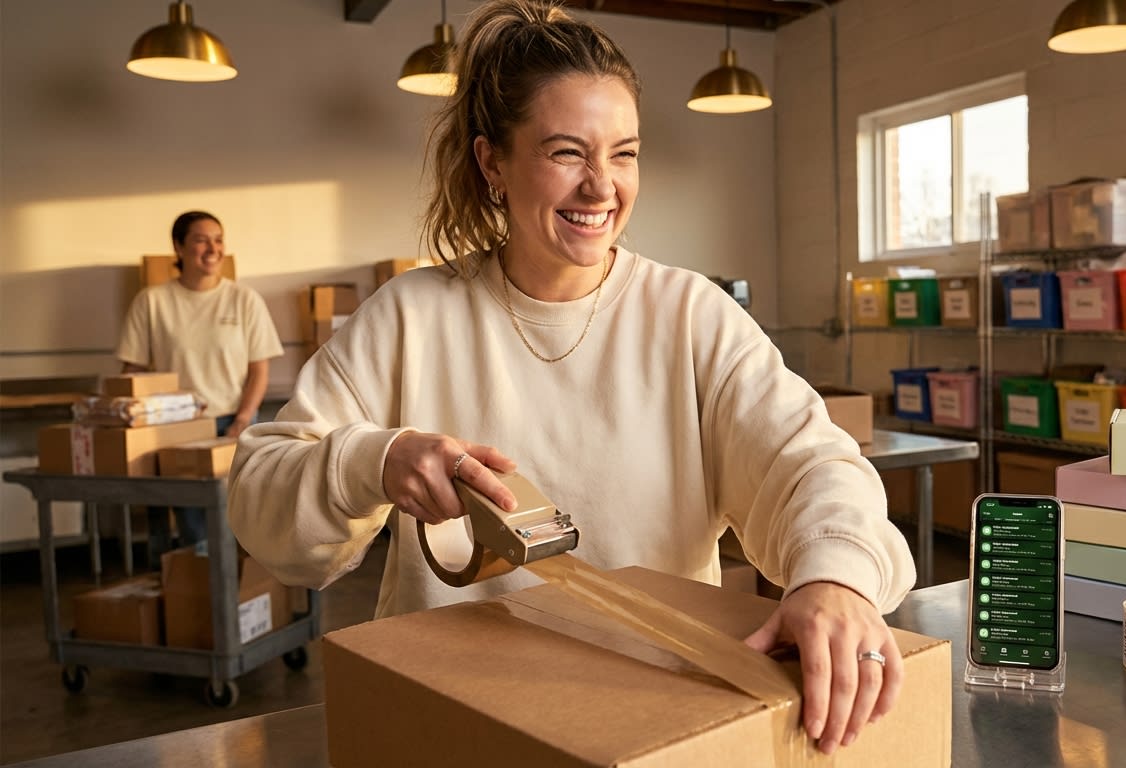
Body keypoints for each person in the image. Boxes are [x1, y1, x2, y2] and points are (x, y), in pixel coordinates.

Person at [228, 0, 914, 755]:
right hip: (447, 720)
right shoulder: (409, 317)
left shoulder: (691, 316)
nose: (602, 187)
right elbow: (263, 502)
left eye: (624, 153)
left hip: (654, 726)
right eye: (566, 153)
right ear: (493, 162)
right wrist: (371, 462)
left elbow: (809, 463)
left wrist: (835, 577)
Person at [116, 211, 282, 556]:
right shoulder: (152, 302)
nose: (213, 248)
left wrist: (241, 420)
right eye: (201, 239)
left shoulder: (244, 300)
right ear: (178, 247)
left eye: (218, 239)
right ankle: (201, 596)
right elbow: (131, 372)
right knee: (195, 528)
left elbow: (259, 369)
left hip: (233, 422)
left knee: (242, 518)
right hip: (178, 429)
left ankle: (245, 595)